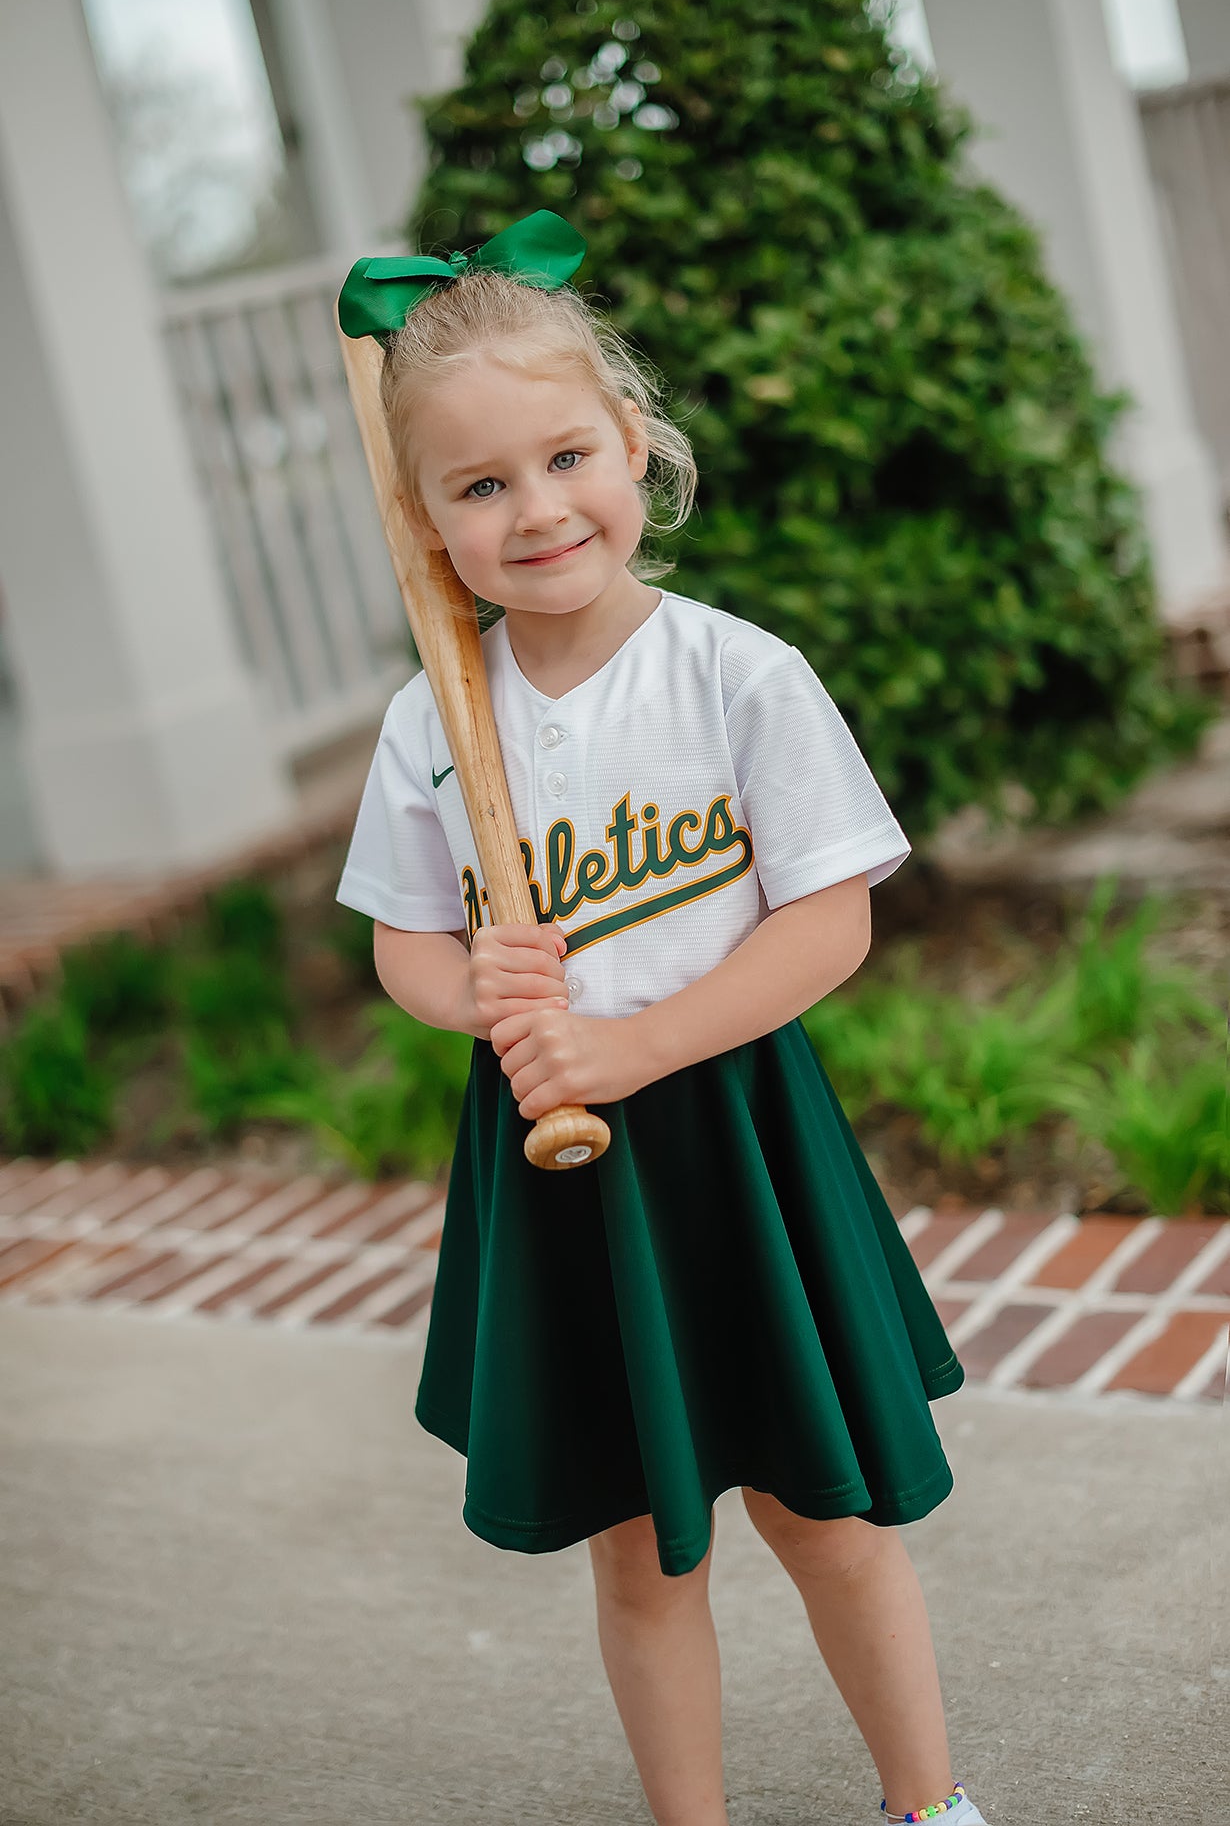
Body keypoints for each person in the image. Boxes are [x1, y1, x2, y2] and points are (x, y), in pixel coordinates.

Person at [336, 211, 988, 1826]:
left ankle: (928, 1804)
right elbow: (405, 947)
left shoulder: (736, 677)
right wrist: (462, 992)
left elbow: (827, 923)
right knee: (640, 1542)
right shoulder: (435, 716)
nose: (535, 509)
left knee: (826, 1513)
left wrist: (631, 1043)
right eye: (478, 486)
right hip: (558, 1163)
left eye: (566, 457)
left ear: (636, 448)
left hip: (734, 1131)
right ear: (422, 519)